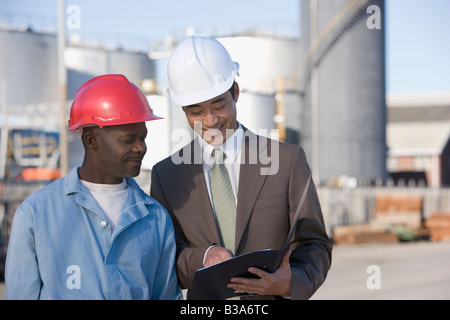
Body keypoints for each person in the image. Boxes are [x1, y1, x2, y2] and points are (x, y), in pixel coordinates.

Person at [150, 36, 333, 300]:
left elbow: (315, 243)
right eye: (196, 111)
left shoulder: (285, 161)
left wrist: (292, 282)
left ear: (235, 92)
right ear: (183, 110)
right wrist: (203, 256)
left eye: (218, 105)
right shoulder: (167, 175)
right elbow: (164, 257)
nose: (210, 120)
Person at [5, 74, 182, 300]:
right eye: (128, 140)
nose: (140, 148)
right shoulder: (36, 215)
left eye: (143, 138)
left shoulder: (156, 219)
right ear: (91, 140)